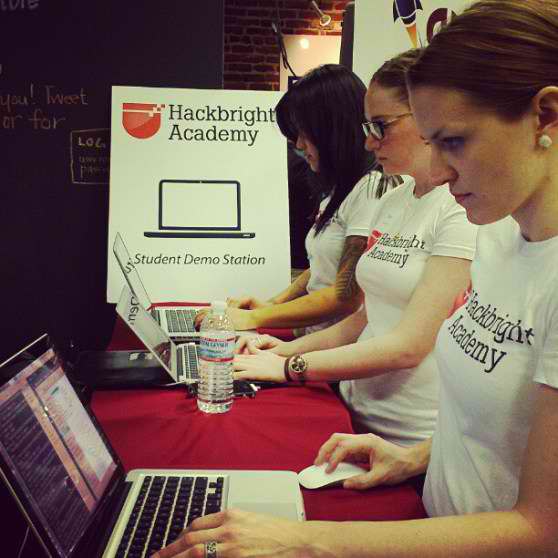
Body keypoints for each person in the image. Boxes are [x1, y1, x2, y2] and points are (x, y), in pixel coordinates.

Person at [152, 1, 558, 557]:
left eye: (454, 142)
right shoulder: (501, 242)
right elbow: (497, 435)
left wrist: (304, 541)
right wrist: (419, 457)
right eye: (432, 142)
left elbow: (541, 530)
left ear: (546, 115)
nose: (439, 171)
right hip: (431, 519)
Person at [232, 49, 477, 448]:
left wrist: (291, 366)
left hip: (408, 435)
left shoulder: (458, 210)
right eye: (367, 126)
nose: (368, 141)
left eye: (381, 126)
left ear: (427, 116)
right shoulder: (393, 200)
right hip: (353, 412)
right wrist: (286, 351)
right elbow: (363, 317)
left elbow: (409, 346)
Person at [196, 64, 399, 335]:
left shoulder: (372, 188)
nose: (300, 145)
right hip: (313, 341)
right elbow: (323, 267)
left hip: (335, 349)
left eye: (305, 133)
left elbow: (345, 295)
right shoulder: (342, 190)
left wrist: (256, 317)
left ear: (331, 130)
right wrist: (271, 305)